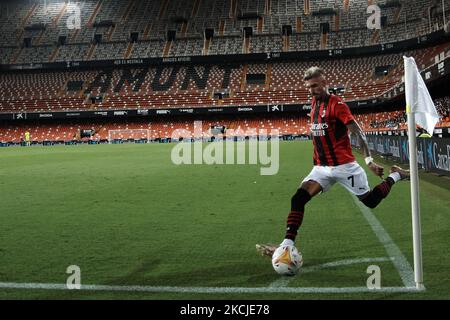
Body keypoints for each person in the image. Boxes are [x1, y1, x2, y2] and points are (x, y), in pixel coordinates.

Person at [256, 66, 410, 257]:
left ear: (324, 83)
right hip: (321, 168)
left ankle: (396, 174)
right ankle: (286, 245)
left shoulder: (337, 105)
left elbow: (357, 131)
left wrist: (369, 160)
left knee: (370, 201)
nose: (312, 90)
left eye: (315, 86)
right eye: (309, 87)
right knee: (298, 199)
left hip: (344, 166)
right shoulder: (313, 104)